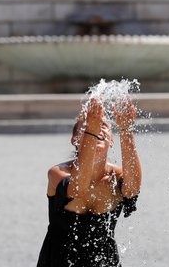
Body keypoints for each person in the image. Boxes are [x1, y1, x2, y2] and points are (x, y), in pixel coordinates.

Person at [37, 97, 142, 267]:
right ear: (74, 140)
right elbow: (78, 189)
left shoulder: (116, 177)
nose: (97, 129)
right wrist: (91, 132)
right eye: (86, 127)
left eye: (104, 126)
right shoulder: (58, 173)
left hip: (105, 262)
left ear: (111, 140)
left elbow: (133, 189)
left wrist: (125, 129)